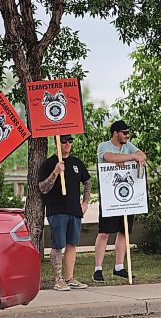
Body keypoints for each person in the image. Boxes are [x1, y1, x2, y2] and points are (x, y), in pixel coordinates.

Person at [93, 120, 147, 282]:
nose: (127, 136)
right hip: (110, 195)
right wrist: (131, 157)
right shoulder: (104, 146)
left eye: (128, 133)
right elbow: (109, 157)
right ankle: (98, 269)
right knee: (104, 232)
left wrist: (129, 158)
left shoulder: (128, 145)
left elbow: (142, 155)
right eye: (124, 133)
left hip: (127, 196)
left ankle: (119, 267)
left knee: (124, 231)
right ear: (116, 133)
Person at [38, 134, 91, 291]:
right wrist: (55, 172)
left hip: (74, 210)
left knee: (72, 244)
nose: (67, 144)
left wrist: (85, 202)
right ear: (56, 142)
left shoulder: (76, 163)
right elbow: (42, 188)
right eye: (63, 141)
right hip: (57, 210)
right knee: (58, 244)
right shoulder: (49, 164)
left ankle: (69, 278)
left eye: (70, 141)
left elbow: (87, 181)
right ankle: (58, 279)